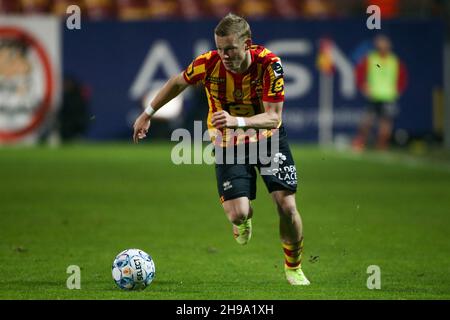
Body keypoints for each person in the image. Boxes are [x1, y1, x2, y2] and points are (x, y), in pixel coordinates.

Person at [132, 13, 310, 285]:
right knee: (238, 213)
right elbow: (178, 81)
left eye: (230, 49)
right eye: (219, 48)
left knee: (286, 205)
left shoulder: (270, 65)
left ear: (247, 44)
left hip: (268, 138)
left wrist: (236, 120)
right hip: (229, 143)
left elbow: (274, 117)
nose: (224, 55)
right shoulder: (208, 63)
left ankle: (293, 267)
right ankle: (243, 221)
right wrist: (148, 113)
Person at [352, 34, 408, 151]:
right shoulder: (370, 58)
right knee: (367, 121)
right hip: (374, 95)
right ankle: (360, 143)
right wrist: (363, 86)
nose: (382, 46)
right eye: (380, 44)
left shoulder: (394, 61)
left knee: (386, 124)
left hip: (388, 96)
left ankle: (381, 146)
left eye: (384, 43)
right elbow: (359, 73)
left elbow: (402, 78)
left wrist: (397, 90)